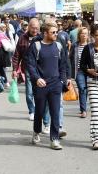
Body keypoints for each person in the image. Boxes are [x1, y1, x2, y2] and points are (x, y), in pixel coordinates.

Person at [26, 21, 68, 150]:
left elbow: (63, 65)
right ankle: (36, 132)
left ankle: (54, 139)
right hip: (41, 84)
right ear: (45, 33)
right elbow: (30, 65)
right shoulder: (36, 46)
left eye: (56, 32)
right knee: (39, 111)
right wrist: (37, 78)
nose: (56, 34)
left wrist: (63, 80)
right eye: (53, 32)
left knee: (55, 112)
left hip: (55, 84)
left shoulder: (59, 46)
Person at [12, 18, 49, 126]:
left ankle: (42, 114)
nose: (35, 30)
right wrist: (15, 69)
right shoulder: (22, 38)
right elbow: (17, 54)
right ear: (29, 27)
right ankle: (32, 111)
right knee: (29, 92)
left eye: (37, 28)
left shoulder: (42, 38)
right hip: (27, 69)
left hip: (41, 70)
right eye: (33, 28)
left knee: (41, 93)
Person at [70, 27, 89, 118]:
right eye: (82, 33)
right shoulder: (75, 45)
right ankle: (84, 110)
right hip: (79, 70)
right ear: (79, 35)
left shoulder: (90, 45)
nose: (84, 35)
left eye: (86, 33)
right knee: (82, 88)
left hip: (90, 71)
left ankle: (83, 106)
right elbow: (70, 58)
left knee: (86, 89)